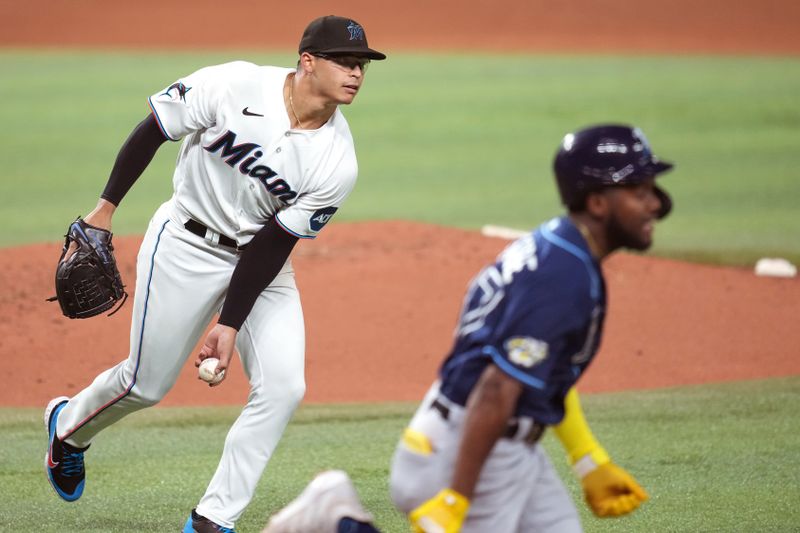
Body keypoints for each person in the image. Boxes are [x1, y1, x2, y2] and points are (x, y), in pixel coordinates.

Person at [43, 15, 386, 533]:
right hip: (183, 242)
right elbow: (153, 130)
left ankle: (212, 519)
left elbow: (274, 244)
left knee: (284, 386)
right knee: (145, 385)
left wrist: (229, 323)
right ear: (308, 61)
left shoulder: (337, 160)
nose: (356, 72)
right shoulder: (234, 84)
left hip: (260, 264)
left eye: (361, 64)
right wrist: (104, 210)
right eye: (344, 61)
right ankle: (67, 430)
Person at [262, 123, 673, 533]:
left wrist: (587, 458)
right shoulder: (563, 278)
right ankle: (339, 520)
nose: (655, 204)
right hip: (474, 449)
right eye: (640, 193)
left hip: (487, 437)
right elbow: (497, 389)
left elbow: (544, 370)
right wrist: (458, 495)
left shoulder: (558, 245)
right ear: (599, 203)